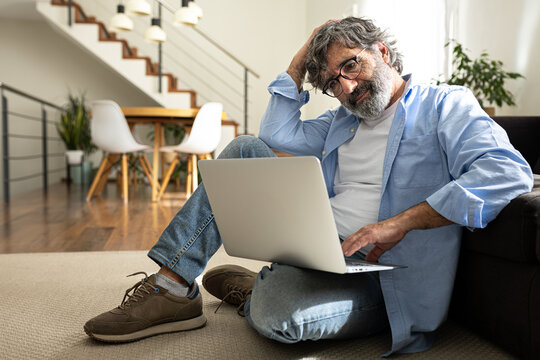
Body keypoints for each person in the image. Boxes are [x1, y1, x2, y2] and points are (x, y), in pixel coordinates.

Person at [84, 17, 533, 355]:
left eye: (351, 65)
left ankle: (260, 289)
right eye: (333, 82)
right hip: (320, 249)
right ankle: (173, 287)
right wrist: (302, 60)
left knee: (277, 319)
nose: (347, 86)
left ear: (384, 52)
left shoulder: (445, 105)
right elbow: (275, 135)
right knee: (244, 148)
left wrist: (398, 224)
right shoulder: (342, 120)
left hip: (384, 279)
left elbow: (506, 171)